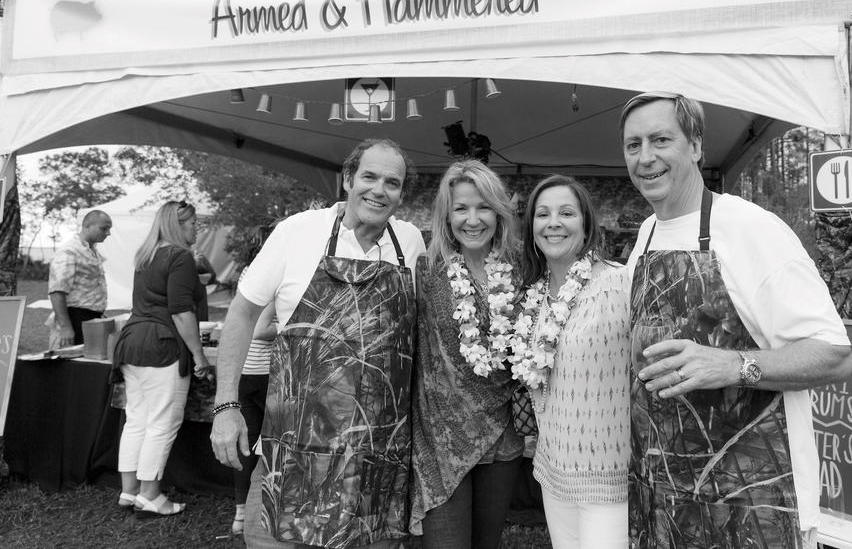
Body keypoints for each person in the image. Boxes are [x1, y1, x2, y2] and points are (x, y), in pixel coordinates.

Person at [620, 92, 852, 549]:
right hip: (662, 498)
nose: (645, 158)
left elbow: (835, 355)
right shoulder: (648, 232)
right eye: (633, 145)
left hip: (751, 506)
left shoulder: (751, 228)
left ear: (695, 147)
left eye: (660, 140)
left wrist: (733, 366)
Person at [210, 138, 425, 549]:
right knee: (271, 540)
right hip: (295, 448)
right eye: (370, 177)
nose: (379, 191)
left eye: (392, 183)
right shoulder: (296, 232)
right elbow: (240, 314)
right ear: (346, 179)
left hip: (377, 455)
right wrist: (226, 405)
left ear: (401, 194)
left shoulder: (411, 243)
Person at [510, 175, 630, 549]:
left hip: (607, 475)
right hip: (553, 469)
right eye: (542, 214)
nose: (553, 222)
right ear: (531, 228)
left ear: (586, 224)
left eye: (566, 213)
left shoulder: (619, 283)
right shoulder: (535, 296)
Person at [410, 160, 524, 549]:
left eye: (483, 207)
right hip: (440, 440)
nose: (473, 220)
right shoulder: (425, 271)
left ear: (499, 212)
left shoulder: (521, 271)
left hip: (501, 438)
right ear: (447, 214)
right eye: (461, 208)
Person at [112, 200, 212, 518]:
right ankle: (151, 496)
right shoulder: (179, 256)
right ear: (178, 225)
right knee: (161, 423)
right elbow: (181, 310)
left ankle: (129, 492)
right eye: (194, 223)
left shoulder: (147, 255)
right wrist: (199, 355)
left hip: (131, 343)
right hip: (162, 345)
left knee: (137, 419)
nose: (197, 228)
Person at [229, 223, 280, 535]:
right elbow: (261, 329)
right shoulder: (272, 273)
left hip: (245, 369)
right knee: (266, 446)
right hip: (263, 370)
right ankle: (263, 515)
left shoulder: (248, 271)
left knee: (246, 445)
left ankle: (239, 515)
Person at [48, 210, 112, 347]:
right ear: (87, 225)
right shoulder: (69, 252)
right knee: (71, 364)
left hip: (90, 318)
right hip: (74, 317)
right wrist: (65, 327)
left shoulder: (92, 251)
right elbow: (56, 292)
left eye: (109, 229)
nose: (108, 233)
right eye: (104, 228)